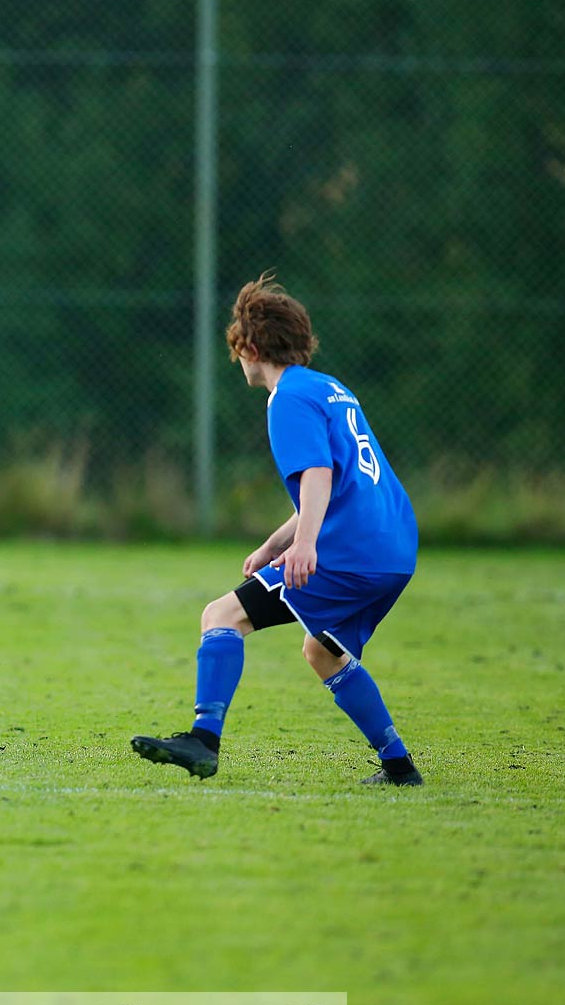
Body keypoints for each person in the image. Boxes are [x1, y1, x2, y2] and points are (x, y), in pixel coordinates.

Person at [132, 273, 423, 786]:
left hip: (351, 547)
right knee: (323, 651)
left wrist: (306, 542)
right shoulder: (331, 389)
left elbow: (319, 474)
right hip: (394, 548)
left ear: (247, 345)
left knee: (221, 614)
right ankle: (398, 765)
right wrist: (277, 541)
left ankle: (204, 739)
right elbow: (341, 484)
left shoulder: (287, 397)